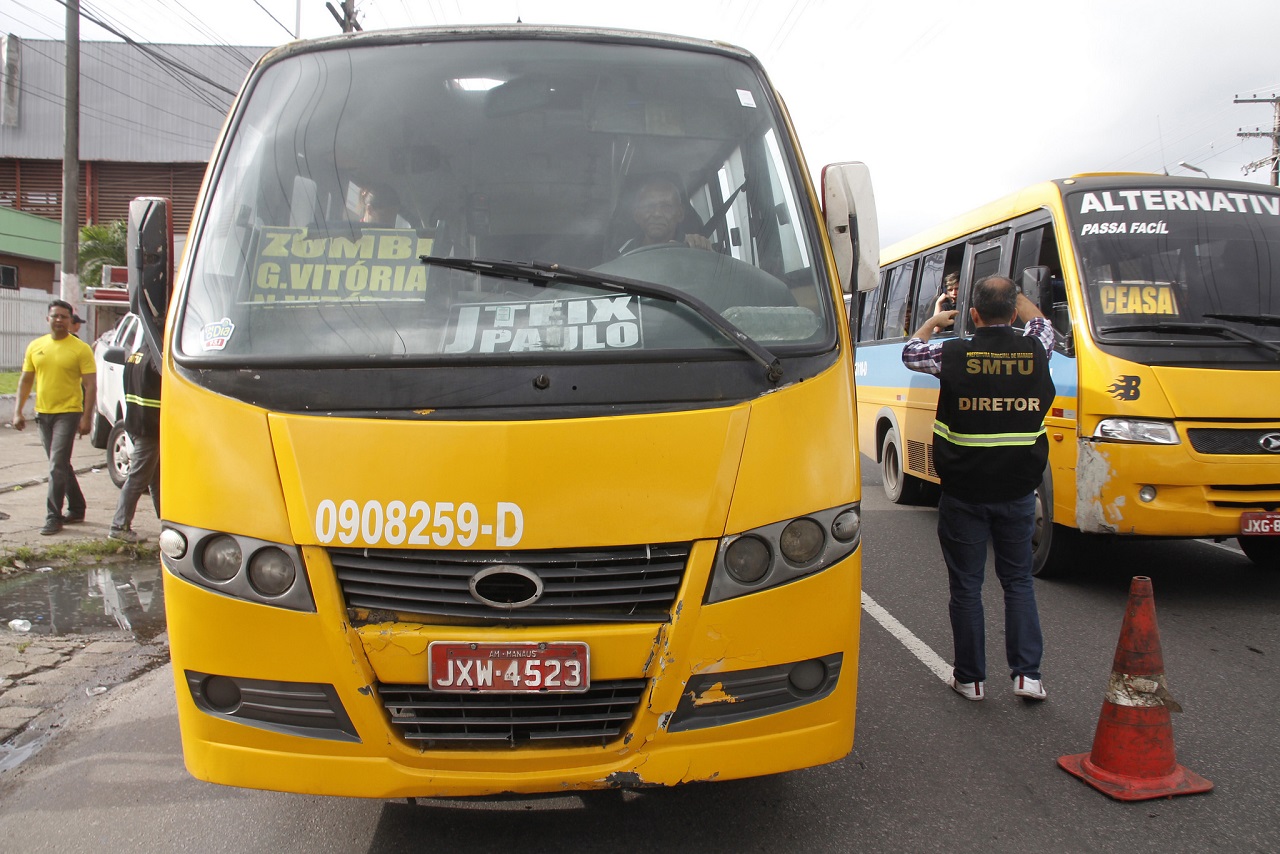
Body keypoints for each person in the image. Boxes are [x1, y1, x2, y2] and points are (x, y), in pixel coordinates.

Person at [902, 275, 1055, 703]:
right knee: (1018, 581)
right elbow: (1043, 325)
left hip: (965, 493)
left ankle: (970, 679)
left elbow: (910, 353)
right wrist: (1020, 299)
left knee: (967, 587)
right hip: (1020, 491)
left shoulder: (954, 352)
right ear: (1012, 312)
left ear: (972, 314)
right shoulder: (1035, 347)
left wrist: (934, 320)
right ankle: (1027, 675)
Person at [13, 299, 98, 535]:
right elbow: (26, 380)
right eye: (55, 316)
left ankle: (53, 517)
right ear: (47, 319)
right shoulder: (35, 346)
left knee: (56, 466)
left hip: (68, 413)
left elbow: (91, 385)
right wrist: (18, 411)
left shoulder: (80, 349)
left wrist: (86, 417)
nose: (59, 320)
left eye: (63, 316)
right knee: (59, 464)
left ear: (70, 321)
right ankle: (78, 507)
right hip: (43, 414)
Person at [108, 347, 162, 543]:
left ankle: (167, 521)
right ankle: (119, 525)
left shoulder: (136, 355)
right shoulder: (158, 358)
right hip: (149, 427)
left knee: (156, 477)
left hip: (135, 424)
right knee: (138, 477)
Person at [618, 175, 712, 254]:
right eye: (649, 206)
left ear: (680, 214)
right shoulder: (624, 252)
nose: (657, 213)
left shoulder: (695, 246)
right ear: (637, 215)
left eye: (666, 207)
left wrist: (704, 252)